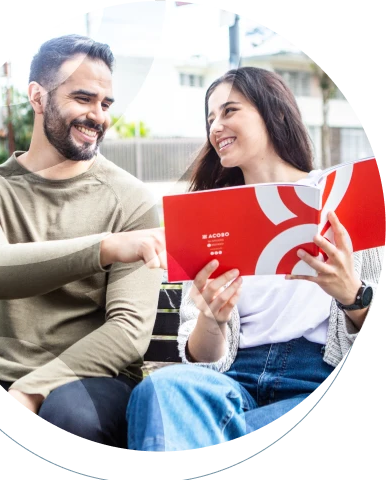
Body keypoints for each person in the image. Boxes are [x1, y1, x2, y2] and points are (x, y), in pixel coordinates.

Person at [125, 66, 385, 452]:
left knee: (194, 438)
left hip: (314, 378)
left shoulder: (343, 197)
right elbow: (201, 361)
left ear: (275, 112)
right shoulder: (206, 217)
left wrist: (352, 294)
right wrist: (213, 319)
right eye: (210, 117)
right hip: (230, 381)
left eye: (229, 111)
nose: (216, 126)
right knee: (163, 391)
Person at [0, 34, 167, 449]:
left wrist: (34, 389)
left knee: (67, 416)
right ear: (38, 96)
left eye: (105, 104)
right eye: (83, 98)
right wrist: (104, 248)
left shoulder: (132, 200)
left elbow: (128, 332)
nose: (97, 116)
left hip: (91, 381)